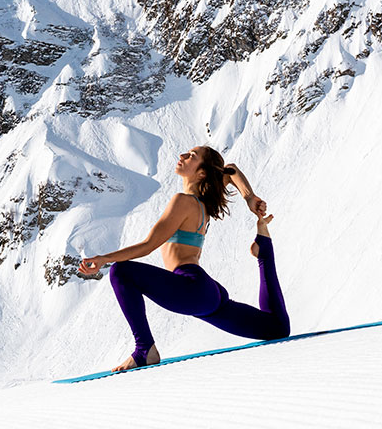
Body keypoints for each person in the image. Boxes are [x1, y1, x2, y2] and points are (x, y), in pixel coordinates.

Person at [78, 146, 290, 371]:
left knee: (120, 272)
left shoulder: (184, 201)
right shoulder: (203, 204)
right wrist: (249, 197)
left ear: (201, 173)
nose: (182, 156)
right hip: (205, 294)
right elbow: (231, 170)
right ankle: (264, 251)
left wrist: (104, 258)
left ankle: (144, 349)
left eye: (191, 156)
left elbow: (149, 245)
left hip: (192, 288)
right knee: (275, 328)